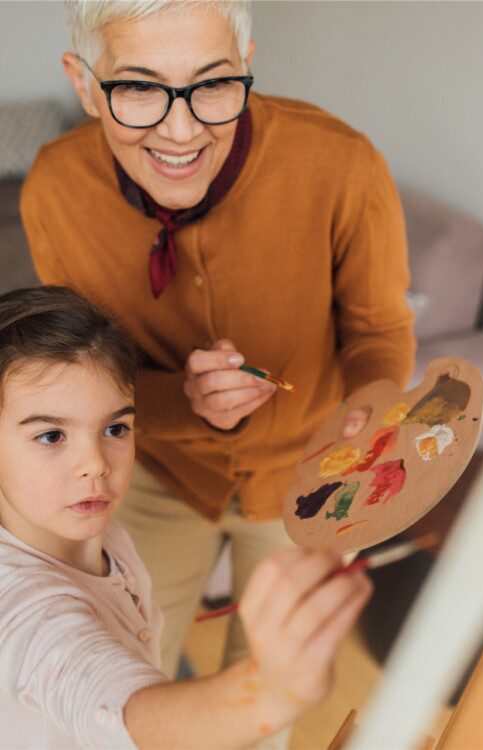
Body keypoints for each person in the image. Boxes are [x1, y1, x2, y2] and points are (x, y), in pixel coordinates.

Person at [21, 0, 415, 696]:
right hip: (155, 475)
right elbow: (83, 374)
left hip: (316, 474)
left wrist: (370, 411)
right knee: (128, 677)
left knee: (273, 693)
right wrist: (185, 401)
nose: (182, 129)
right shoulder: (54, 187)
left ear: (246, 67)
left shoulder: (344, 164)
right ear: (84, 85)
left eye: (212, 84)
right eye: (138, 87)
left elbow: (380, 332)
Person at [0, 285, 371, 750]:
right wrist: (269, 691)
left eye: (115, 428)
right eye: (52, 436)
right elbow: (115, 707)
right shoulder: (21, 609)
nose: (95, 463)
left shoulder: (109, 535)